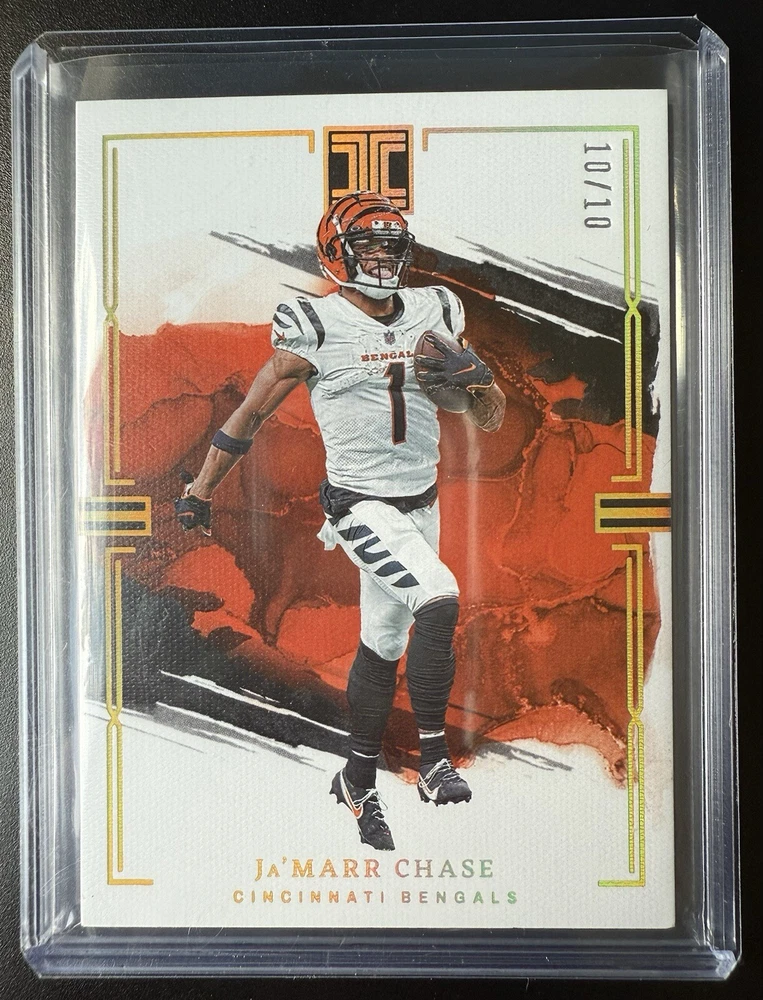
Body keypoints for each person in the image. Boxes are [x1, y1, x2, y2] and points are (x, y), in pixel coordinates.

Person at [175, 191, 506, 850]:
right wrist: (201, 489)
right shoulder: (315, 325)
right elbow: (249, 415)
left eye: (391, 247)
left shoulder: (434, 310)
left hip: (422, 504)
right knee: (438, 598)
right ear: (335, 252)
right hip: (360, 505)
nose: (381, 259)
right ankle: (434, 761)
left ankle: (357, 779)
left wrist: (477, 379)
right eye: (367, 247)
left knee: (383, 642)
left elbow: (488, 416)